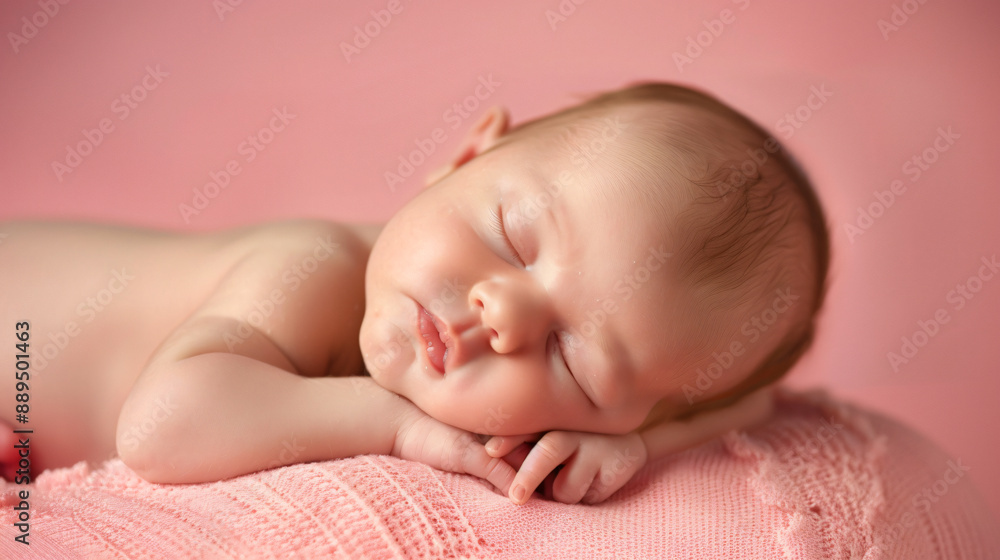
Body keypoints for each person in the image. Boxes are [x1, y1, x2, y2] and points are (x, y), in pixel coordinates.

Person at [0, 82, 829, 506]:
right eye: (512, 237)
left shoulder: (633, 413)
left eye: (572, 358)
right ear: (470, 154)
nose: (500, 314)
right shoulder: (314, 268)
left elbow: (756, 404)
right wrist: (395, 425)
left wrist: (644, 444)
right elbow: (161, 429)